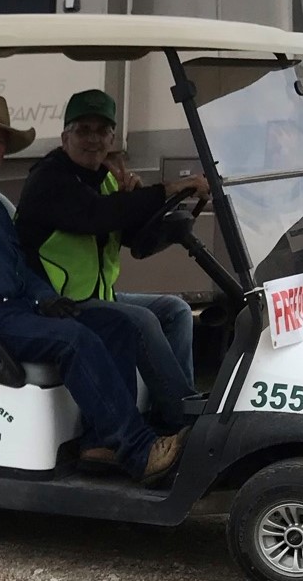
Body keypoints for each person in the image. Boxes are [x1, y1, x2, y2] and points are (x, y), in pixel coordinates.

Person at [0, 58, 186, 484]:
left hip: (12, 311)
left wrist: (45, 298)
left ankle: (101, 442)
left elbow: (18, 263)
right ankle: (140, 451)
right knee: (73, 340)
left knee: (117, 326)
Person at [14, 89, 210, 433]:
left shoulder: (105, 179)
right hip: (55, 304)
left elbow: (137, 242)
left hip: (96, 297)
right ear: (64, 137)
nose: (93, 140)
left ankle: (171, 414)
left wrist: (136, 201)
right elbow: (96, 216)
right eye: (83, 131)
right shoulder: (49, 179)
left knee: (176, 311)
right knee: (141, 321)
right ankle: (186, 422)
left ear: (112, 138)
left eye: (101, 131)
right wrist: (163, 190)